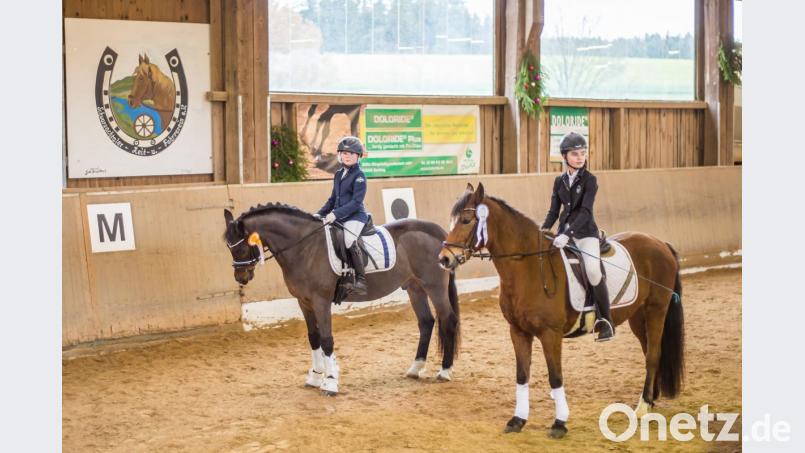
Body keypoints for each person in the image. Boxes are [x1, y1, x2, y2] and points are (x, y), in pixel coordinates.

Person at [540, 132, 614, 341]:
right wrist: (543, 231)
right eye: (575, 154)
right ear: (564, 156)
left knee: (592, 270)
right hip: (564, 234)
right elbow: (554, 212)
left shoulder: (590, 180)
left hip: (585, 234)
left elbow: (585, 212)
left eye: (583, 153)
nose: (580, 157)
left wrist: (567, 233)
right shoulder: (559, 181)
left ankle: (605, 321)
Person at [314, 136, 370, 295]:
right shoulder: (339, 174)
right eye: (345, 153)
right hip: (338, 216)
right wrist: (320, 213)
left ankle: (361, 279)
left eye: (352, 154)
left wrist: (335, 214)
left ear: (358, 156)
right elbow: (333, 199)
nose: (347, 156)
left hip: (355, 216)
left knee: (349, 240)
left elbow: (355, 202)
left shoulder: (359, 176)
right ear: (340, 155)